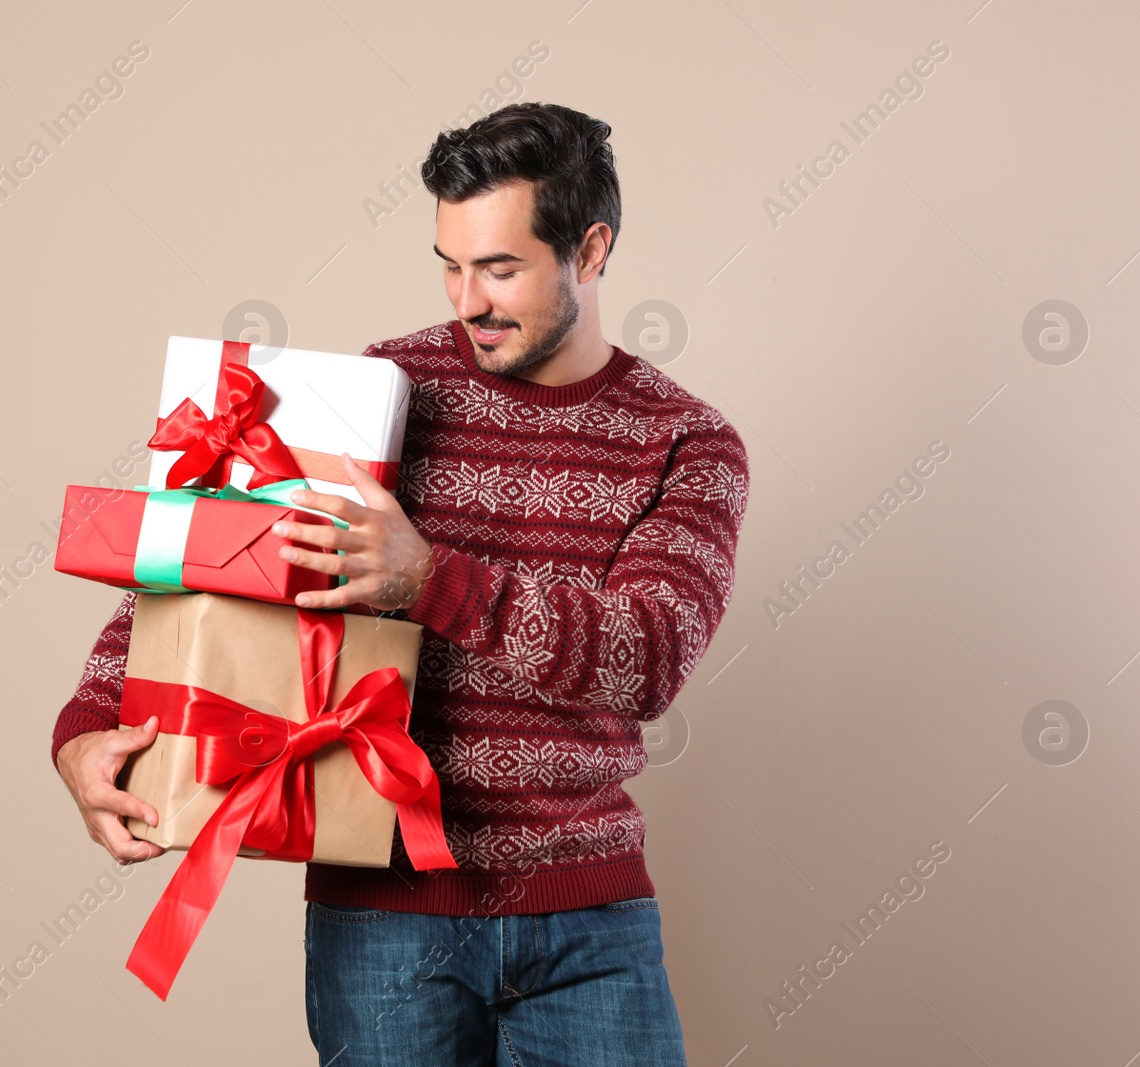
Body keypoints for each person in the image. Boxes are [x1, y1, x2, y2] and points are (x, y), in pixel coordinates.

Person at [53, 101, 749, 1066]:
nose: (469, 300)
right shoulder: (381, 387)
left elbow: (649, 657)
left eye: (501, 267)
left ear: (591, 250)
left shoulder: (687, 442)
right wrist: (87, 722)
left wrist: (431, 578)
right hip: (384, 918)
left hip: (589, 917)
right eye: (451, 264)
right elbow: (208, 558)